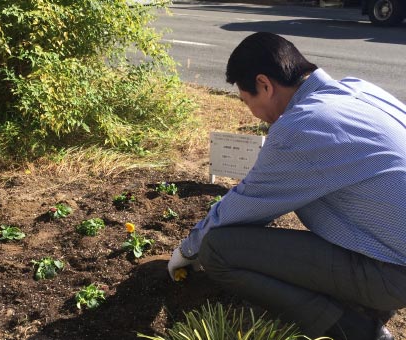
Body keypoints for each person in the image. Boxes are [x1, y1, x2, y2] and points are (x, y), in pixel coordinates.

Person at [167, 32, 406, 340]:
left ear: (265, 85)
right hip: (395, 248)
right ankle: (366, 303)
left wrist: (188, 249)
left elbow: (246, 204)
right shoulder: (359, 90)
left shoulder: (303, 125)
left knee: (217, 251)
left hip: (393, 275)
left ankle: (360, 331)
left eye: (246, 100)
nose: (250, 111)